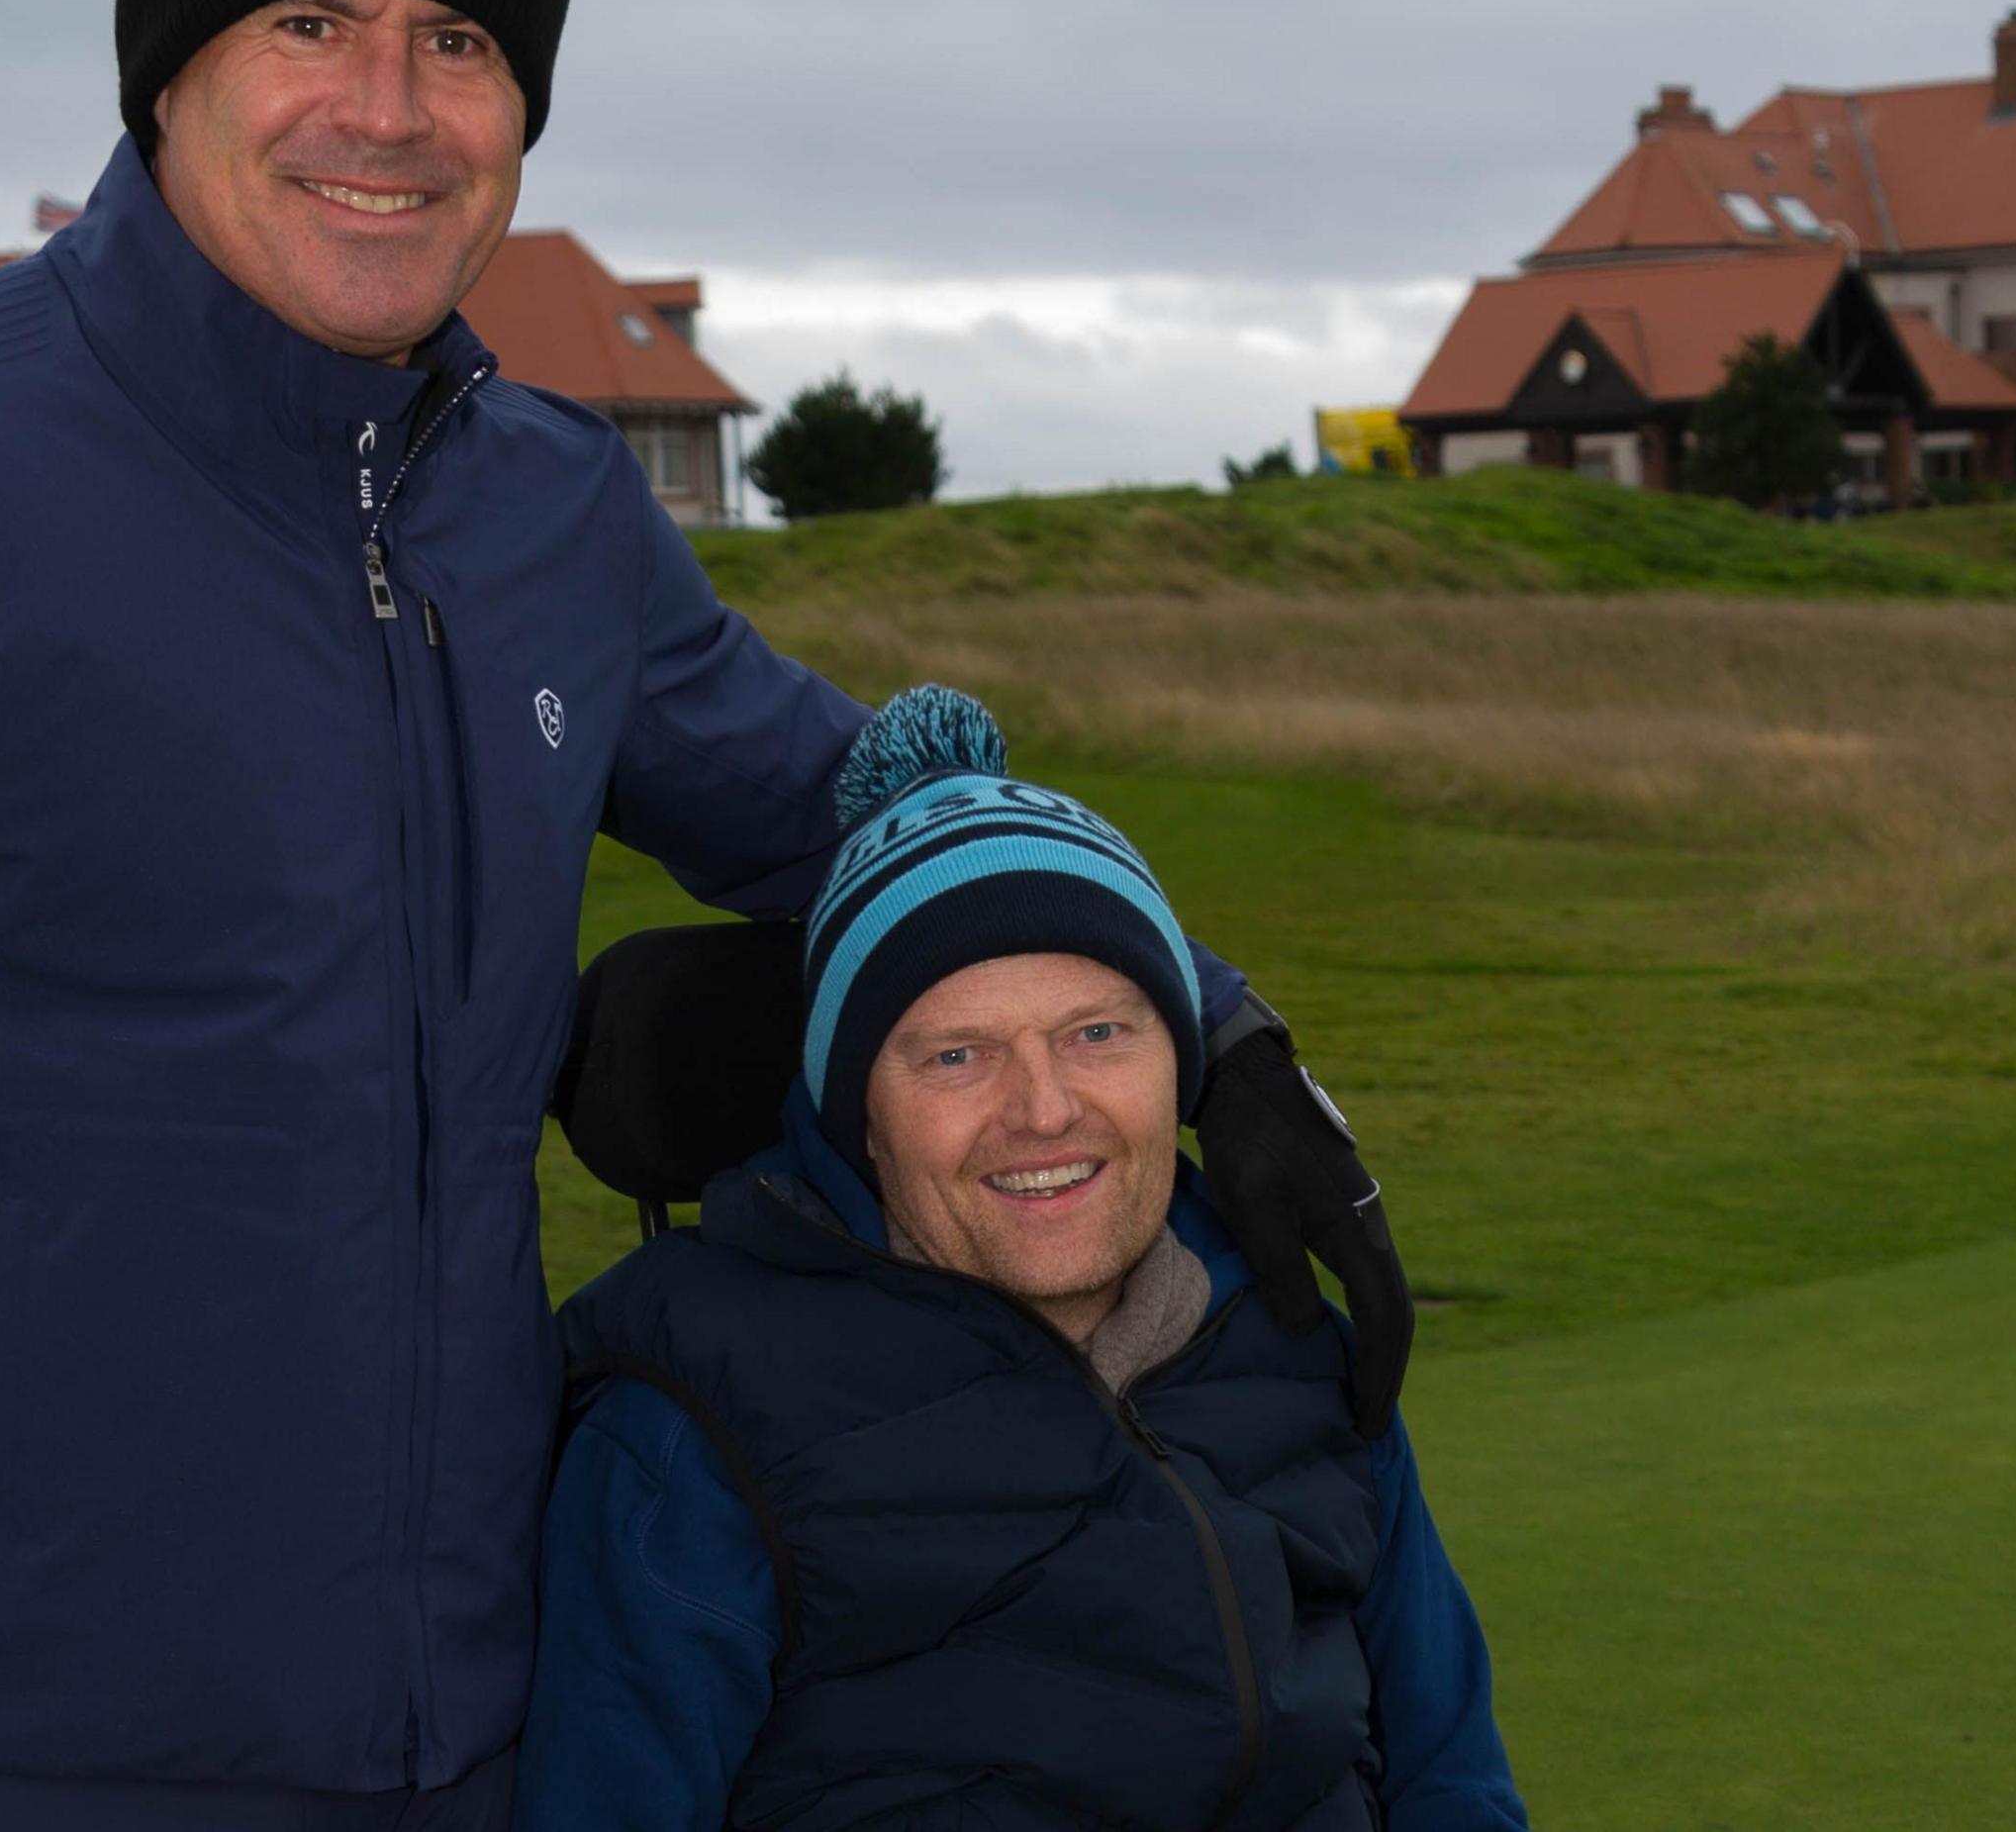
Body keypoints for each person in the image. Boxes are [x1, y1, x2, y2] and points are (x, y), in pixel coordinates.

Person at [0, 0, 1404, 1830]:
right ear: (173, 56)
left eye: (461, 39)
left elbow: (895, 822)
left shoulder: (555, 511)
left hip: (479, 1743)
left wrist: (1215, 1025)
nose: (386, 109)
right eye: (311, 15)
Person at [526, 690, 1526, 1831]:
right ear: (860, 1112)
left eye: (1099, 1032)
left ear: (1181, 1061)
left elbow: (1451, 1772)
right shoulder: (693, 1423)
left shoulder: (1289, 1340)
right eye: (958, 1054)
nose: (1045, 1109)